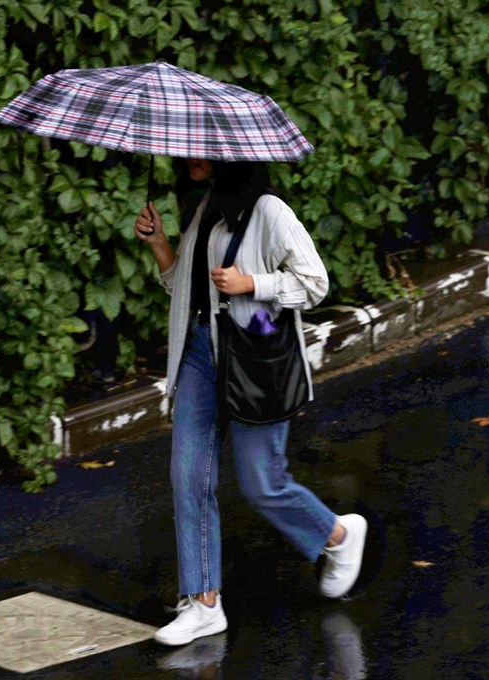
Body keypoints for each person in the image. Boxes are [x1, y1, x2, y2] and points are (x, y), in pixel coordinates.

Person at [134, 158, 368, 647]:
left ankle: (337, 535)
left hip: (250, 361)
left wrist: (253, 284)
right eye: (188, 151)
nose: (191, 158)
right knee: (188, 477)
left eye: (203, 151)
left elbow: (315, 283)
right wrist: (159, 244)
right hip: (199, 355)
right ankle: (203, 604)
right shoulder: (206, 210)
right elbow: (187, 290)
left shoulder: (269, 211)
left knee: (263, 484)